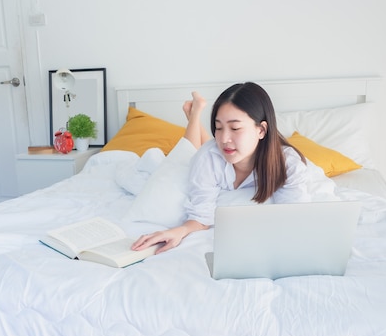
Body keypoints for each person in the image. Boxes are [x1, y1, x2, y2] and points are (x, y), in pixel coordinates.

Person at [131, 82, 310, 254]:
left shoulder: (288, 164)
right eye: (218, 127)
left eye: (235, 128)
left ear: (261, 130)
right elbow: (201, 216)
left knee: (209, 147)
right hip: (207, 156)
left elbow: (295, 219)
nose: (224, 138)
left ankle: (194, 115)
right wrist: (178, 231)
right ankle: (194, 117)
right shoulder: (208, 157)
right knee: (192, 150)